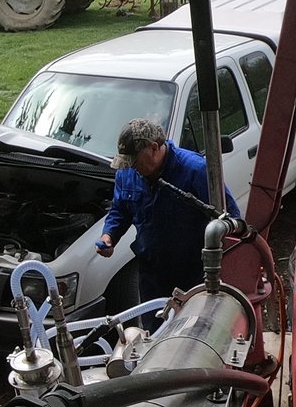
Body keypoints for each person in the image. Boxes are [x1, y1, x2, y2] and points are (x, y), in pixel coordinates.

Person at [96, 117, 241, 304]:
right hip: (152, 274)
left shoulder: (194, 170)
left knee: (190, 329)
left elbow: (230, 219)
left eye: (134, 160)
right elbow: (120, 209)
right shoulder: (127, 172)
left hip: (194, 274)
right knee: (155, 330)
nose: (131, 166)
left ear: (154, 148)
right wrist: (109, 235)